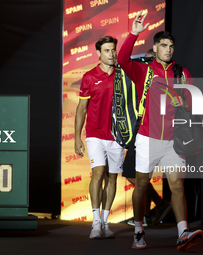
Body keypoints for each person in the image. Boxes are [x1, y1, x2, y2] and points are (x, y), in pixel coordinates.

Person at [118, 11, 203, 250]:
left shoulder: (181, 73)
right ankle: (137, 230)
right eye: (164, 45)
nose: (169, 49)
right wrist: (133, 34)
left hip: (174, 141)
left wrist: (184, 103)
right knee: (142, 185)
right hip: (147, 138)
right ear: (155, 48)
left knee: (177, 186)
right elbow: (123, 60)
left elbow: (192, 102)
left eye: (171, 46)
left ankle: (182, 232)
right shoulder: (143, 71)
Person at [75, 36, 124, 239]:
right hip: (95, 134)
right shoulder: (89, 77)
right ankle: (95, 223)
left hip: (117, 136)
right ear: (98, 53)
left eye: (113, 50)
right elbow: (81, 109)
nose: (111, 54)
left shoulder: (122, 76)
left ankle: (105, 222)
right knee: (98, 172)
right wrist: (77, 137)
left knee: (112, 178)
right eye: (106, 50)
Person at [126, 49, 172, 227]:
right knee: (135, 176)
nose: (149, 64)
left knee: (139, 177)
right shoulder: (140, 75)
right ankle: (157, 206)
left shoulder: (164, 79)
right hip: (137, 128)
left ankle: (148, 214)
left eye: (152, 61)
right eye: (147, 61)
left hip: (155, 131)